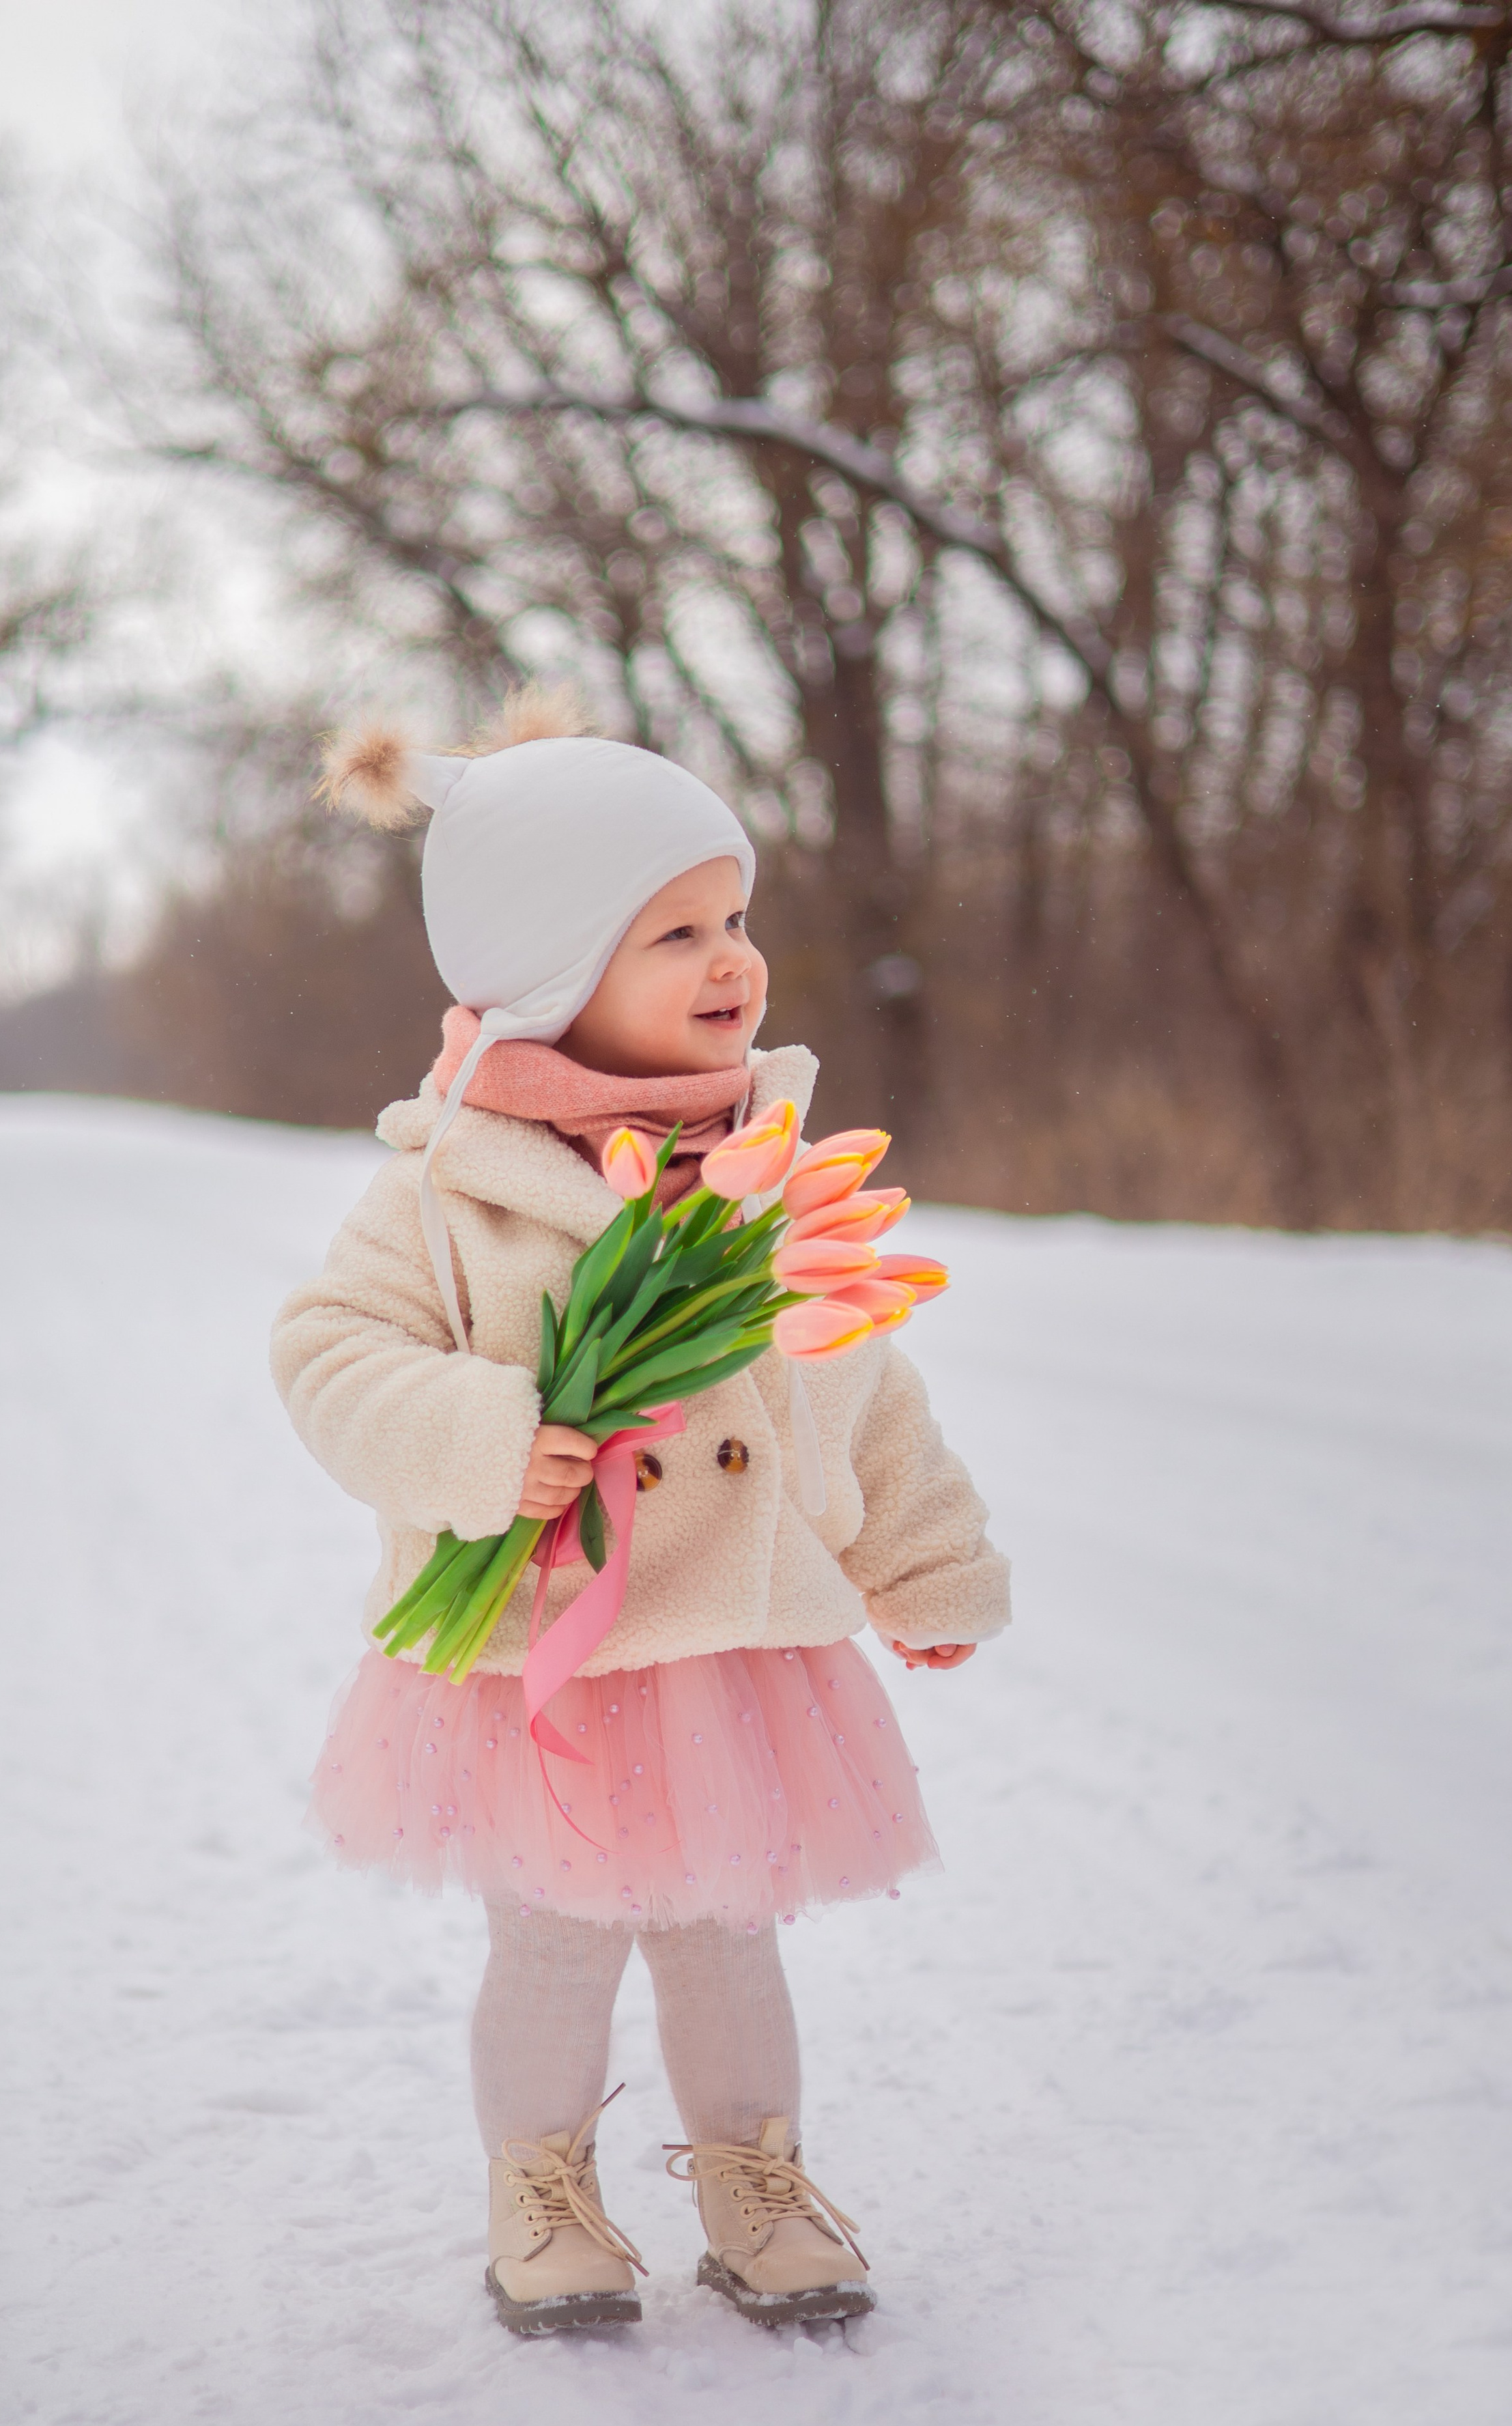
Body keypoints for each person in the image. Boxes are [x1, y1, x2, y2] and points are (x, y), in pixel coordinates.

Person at [271, 683, 1010, 2336]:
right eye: (673, 933)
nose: (730, 960)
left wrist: (923, 1562)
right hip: (542, 1651)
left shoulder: (763, 1172)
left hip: (726, 1645)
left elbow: (859, 1382)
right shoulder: (450, 1189)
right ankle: (538, 2190)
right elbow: (328, 1355)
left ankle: (753, 2180)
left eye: (733, 918)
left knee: (726, 1931)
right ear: (549, 972)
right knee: (553, 1943)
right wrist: (487, 1435)